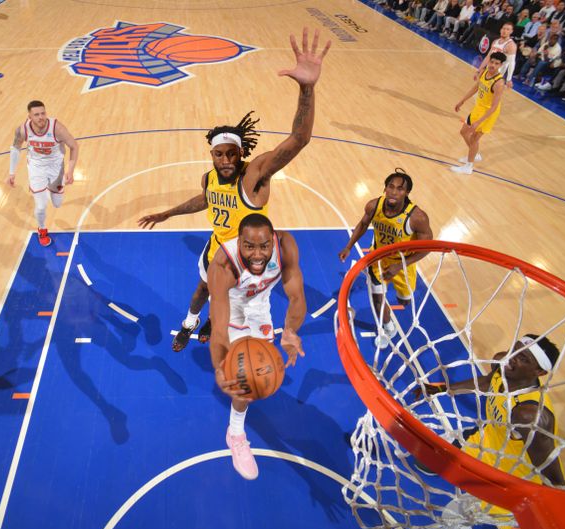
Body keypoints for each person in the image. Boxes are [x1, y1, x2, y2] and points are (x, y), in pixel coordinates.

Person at [137, 28, 331, 352]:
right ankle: (189, 323)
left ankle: (213, 321)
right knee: (202, 291)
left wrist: (307, 90)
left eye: (231, 153)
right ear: (211, 155)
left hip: (247, 260)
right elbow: (206, 199)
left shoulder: (254, 177)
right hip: (216, 251)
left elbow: (299, 139)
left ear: (241, 153)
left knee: (224, 301)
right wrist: (168, 212)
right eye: (219, 154)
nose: (226, 159)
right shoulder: (209, 177)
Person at [414, 334, 565, 516]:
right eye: (515, 349)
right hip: (483, 439)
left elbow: (553, 475)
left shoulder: (529, 416)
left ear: (539, 372)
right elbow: (486, 382)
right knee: (424, 462)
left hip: (508, 475)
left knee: (452, 517)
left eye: (523, 358)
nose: (512, 357)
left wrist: (556, 509)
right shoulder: (503, 364)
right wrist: (442, 388)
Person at [209, 214, 306, 480]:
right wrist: (220, 368)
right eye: (249, 246)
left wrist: (289, 331)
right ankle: (236, 433)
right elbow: (218, 329)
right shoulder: (223, 265)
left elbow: (296, 295)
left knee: (258, 372)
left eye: (264, 246)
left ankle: (236, 426)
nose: (257, 254)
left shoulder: (285, 245)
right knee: (243, 379)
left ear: (272, 241)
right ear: (239, 242)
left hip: (260, 307)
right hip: (231, 308)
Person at [338, 169, 433, 348]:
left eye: (399, 189)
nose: (394, 192)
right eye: (391, 187)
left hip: (404, 264)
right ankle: (389, 327)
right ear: (385, 188)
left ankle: (402, 296)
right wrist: (349, 246)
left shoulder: (417, 218)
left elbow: (426, 248)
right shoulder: (374, 206)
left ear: (406, 193)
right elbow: (363, 224)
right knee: (377, 299)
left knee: (404, 301)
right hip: (378, 259)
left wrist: (400, 265)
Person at [6, 100, 79, 247]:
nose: (41, 117)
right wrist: (11, 173)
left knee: (57, 204)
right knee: (41, 206)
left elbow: (74, 146)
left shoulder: (57, 128)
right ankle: (42, 229)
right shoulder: (23, 130)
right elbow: (15, 148)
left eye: (43, 113)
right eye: (36, 114)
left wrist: (70, 170)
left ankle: (46, 190)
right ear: (29, 117)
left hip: (56, 168)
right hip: (36, 168)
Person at [451, 52, 507, 174]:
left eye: (496, 63)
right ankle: (474, 154)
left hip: (488, 113)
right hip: (479, 108)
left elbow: (494, 107)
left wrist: (479, 122)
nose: (492, 65)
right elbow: (475, 88)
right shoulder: (484, 72)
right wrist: (462, 101)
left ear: (501, 65)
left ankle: (468, 167)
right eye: (491, 62)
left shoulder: (499, 83)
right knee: (464, 132)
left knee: (475, 138)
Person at [477, 21, 518, 88]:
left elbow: (511, 63)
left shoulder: (511, 45)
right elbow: (488, 57)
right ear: (500, 29)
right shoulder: (495, 42)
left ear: (511, 31)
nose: (505, 31)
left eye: (507, 29)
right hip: (488, 71)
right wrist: (479, 70)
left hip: (497, 75)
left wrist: (508, 79)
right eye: (503, 28)